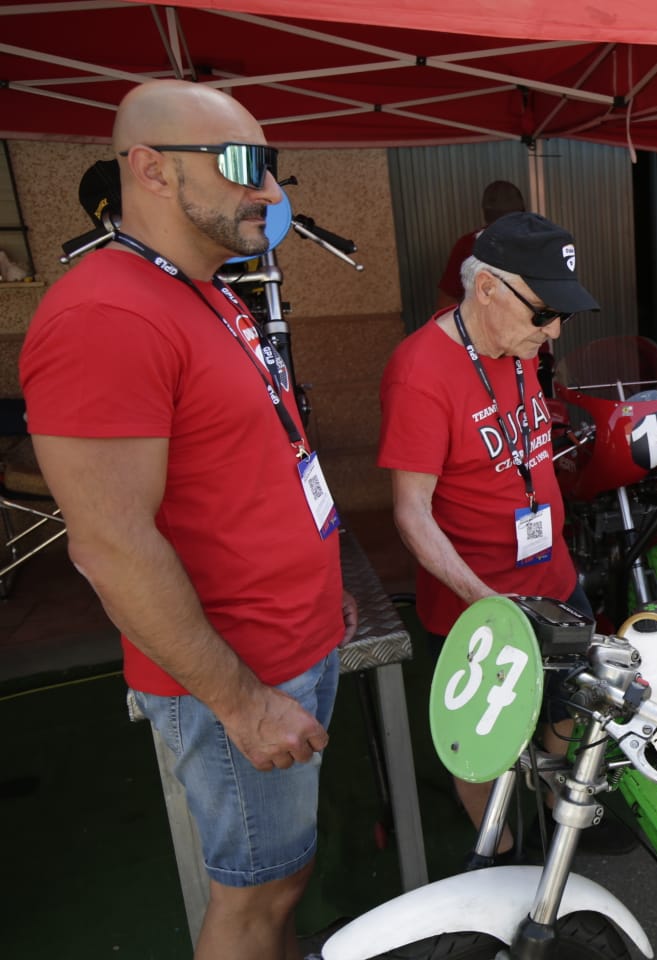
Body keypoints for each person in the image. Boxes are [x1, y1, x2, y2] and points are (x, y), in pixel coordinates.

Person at [20, 79, 356, 960]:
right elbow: (110, 545)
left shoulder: (207, 289)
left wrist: (322, 589)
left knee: (283, 883)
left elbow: (255, 467)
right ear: (150, 169)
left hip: (291, 642)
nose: (271, 192)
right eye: (245, 164)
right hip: (239, 670)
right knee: (255, 897)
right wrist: (240, 702)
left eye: (272, 166)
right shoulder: (104, 315)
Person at [378, 211, 598, 847]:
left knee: (572, 705)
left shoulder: (517, 343)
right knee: (483, 746)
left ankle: (552, 805)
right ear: (486, 288)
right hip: (479, 608)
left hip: (553, 581)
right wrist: (486, 602)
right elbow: (411, 512)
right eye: (543, 313)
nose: (554, 331)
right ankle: (498, 853)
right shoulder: (420, 371)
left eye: (562, 313)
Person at [435, 179, 527, 310]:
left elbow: (446, 301)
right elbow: (446, 299)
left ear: (485, 214)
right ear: (523, 213)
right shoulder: (537, 243)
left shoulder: (467, 244)